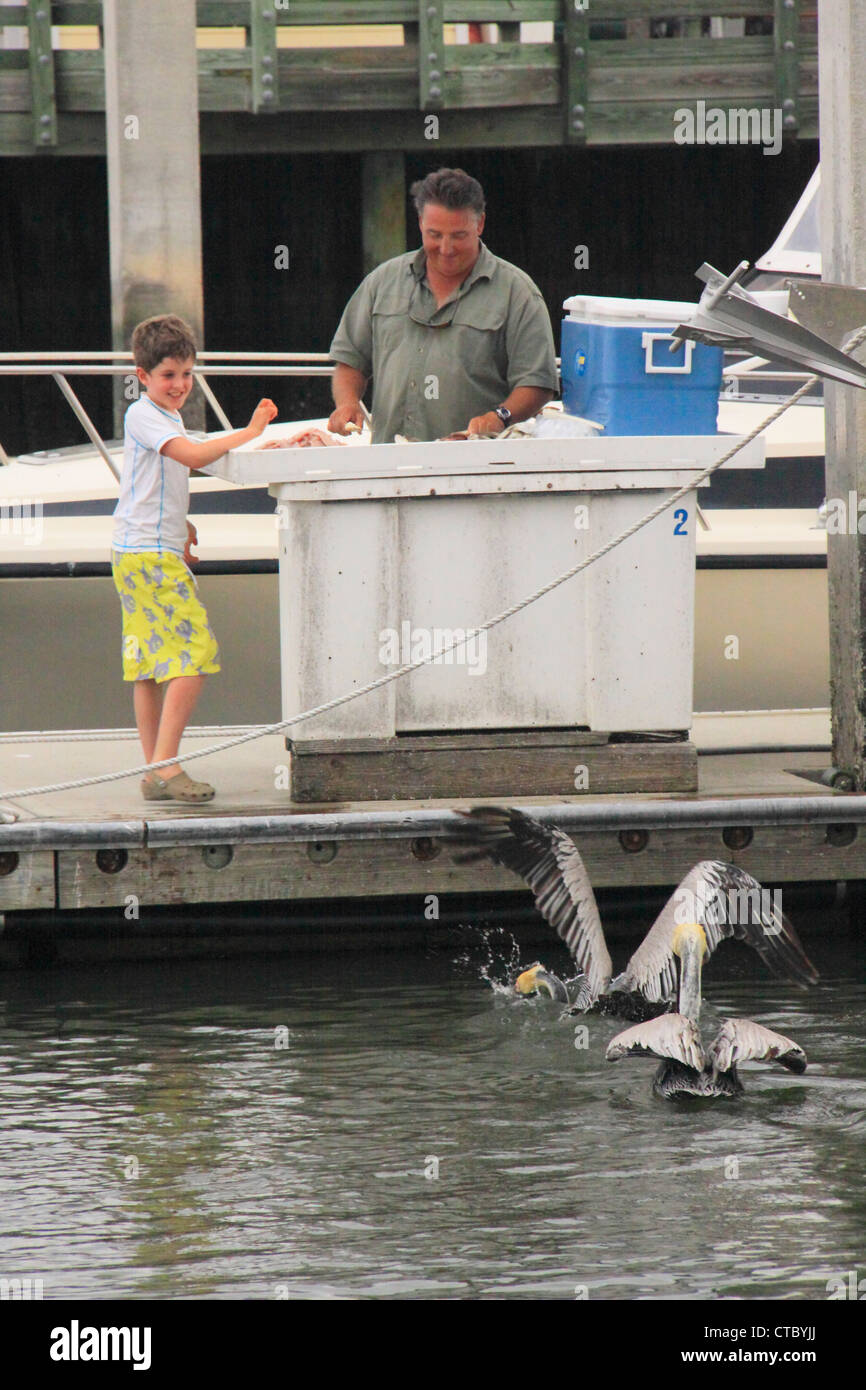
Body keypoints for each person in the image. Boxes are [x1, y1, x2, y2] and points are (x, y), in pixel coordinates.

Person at [111, 314, 277, 802]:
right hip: (149, 558)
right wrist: (251, 430)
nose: (180, 384)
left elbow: (154, 483)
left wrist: (181, 526)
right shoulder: (145, 415)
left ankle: (153, 770)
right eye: (168, 375)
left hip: (137, 548)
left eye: (186, 374)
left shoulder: (164, 414)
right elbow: (194, 457)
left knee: (147, 664)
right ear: (142, 377)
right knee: (193, 656)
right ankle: (167, 766)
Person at [328, 167, 557, 444]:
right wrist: (347, 403)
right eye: (435, 235)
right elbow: (350, 359)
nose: (446, 248)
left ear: (480, 224)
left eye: (458, 236)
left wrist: (500, 416)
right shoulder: (381, 282)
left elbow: (538, 383)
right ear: (420, 222)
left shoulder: (518, 293)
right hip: (389, 466)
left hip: (475, 469)